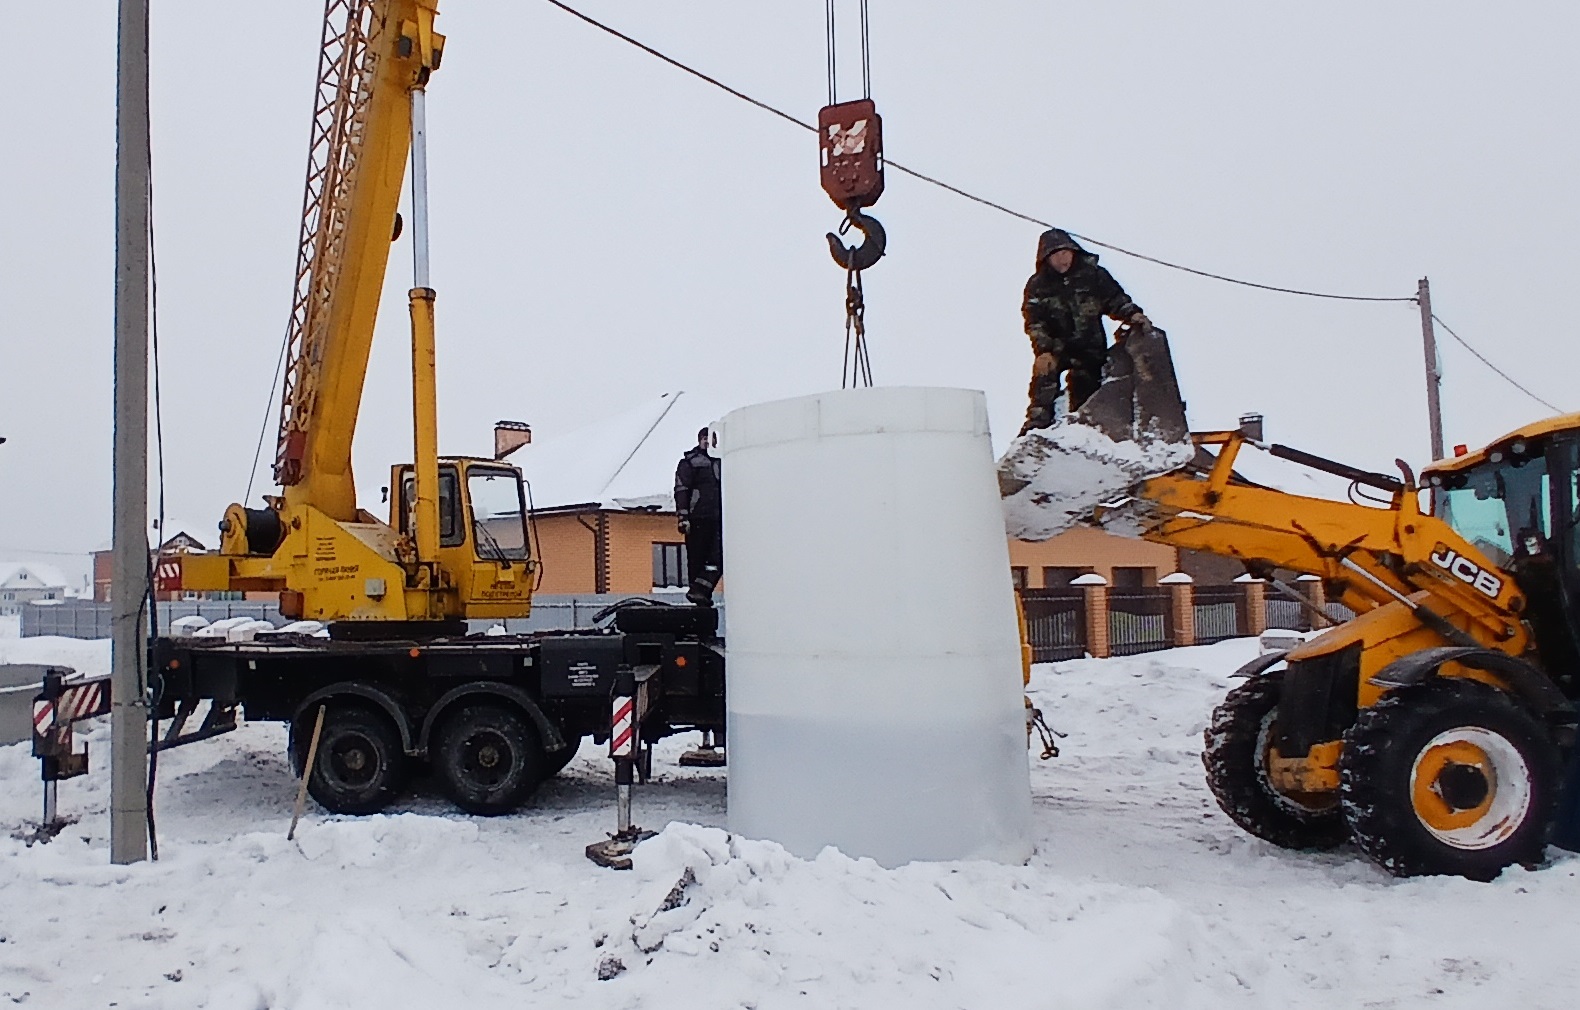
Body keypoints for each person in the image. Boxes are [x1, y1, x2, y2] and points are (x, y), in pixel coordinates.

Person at [1020, 228, 1149, 435]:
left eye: (1065, 253)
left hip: (1091, 349)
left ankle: (1082, 430)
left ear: (1074, 252)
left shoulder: (1094, 276)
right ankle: (1038, 423)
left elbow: (1115, 299)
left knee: (1087, 392)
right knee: (1044, 373)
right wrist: (1043, 349)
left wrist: (1132, 314)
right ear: (1046, 258)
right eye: (1055, 254)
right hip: (1056, 348)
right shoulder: (1038, 285)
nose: (1062, 259)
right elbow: (1034, 320)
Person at [674, 426, 723, 606]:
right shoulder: (690, 463)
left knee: (717, 557)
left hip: (718, 518)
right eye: (705, 438)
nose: (707, 442)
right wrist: (683, 517)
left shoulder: (723, 461)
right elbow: (681, 489)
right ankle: (698, 594)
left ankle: (701, 590)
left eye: (710, 439)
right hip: (698, 518)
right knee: (697, 558)